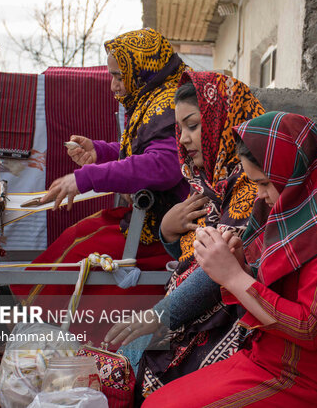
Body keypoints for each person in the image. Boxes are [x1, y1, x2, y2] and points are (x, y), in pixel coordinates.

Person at [141, 111, 317, 407]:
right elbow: (275, 286)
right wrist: (240, 266)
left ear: (293, 171)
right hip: (265, 359)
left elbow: (310, 328)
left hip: (310, 384)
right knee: (157, 400)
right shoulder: (298, 209)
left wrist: (234, 277)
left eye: (263, 183)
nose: (260, 196)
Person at [10, 28, 190, 343]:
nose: (114, 84)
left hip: (167, 233)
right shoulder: (154, 98)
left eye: (120, 75)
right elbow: (144, 153)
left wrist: (86, 178)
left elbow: (164, 166)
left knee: (82, 252)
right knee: (78, 235)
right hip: (149, 218)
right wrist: (100, 152)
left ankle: (64, 339)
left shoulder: (166, 105)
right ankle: (46, 333)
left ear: (142, 68)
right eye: (112, 75)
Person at [104, 71, 265, 404]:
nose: (184, 140)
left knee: (141, 375)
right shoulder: (211, 186)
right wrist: (167, 231)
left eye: (193, 126)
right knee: (120, 362)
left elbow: (215, 270)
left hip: (228, 321)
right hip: (194, 312)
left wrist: (160, 315)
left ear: (225, 121)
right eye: (180, 129)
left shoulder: (250, 187)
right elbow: (192, 257)